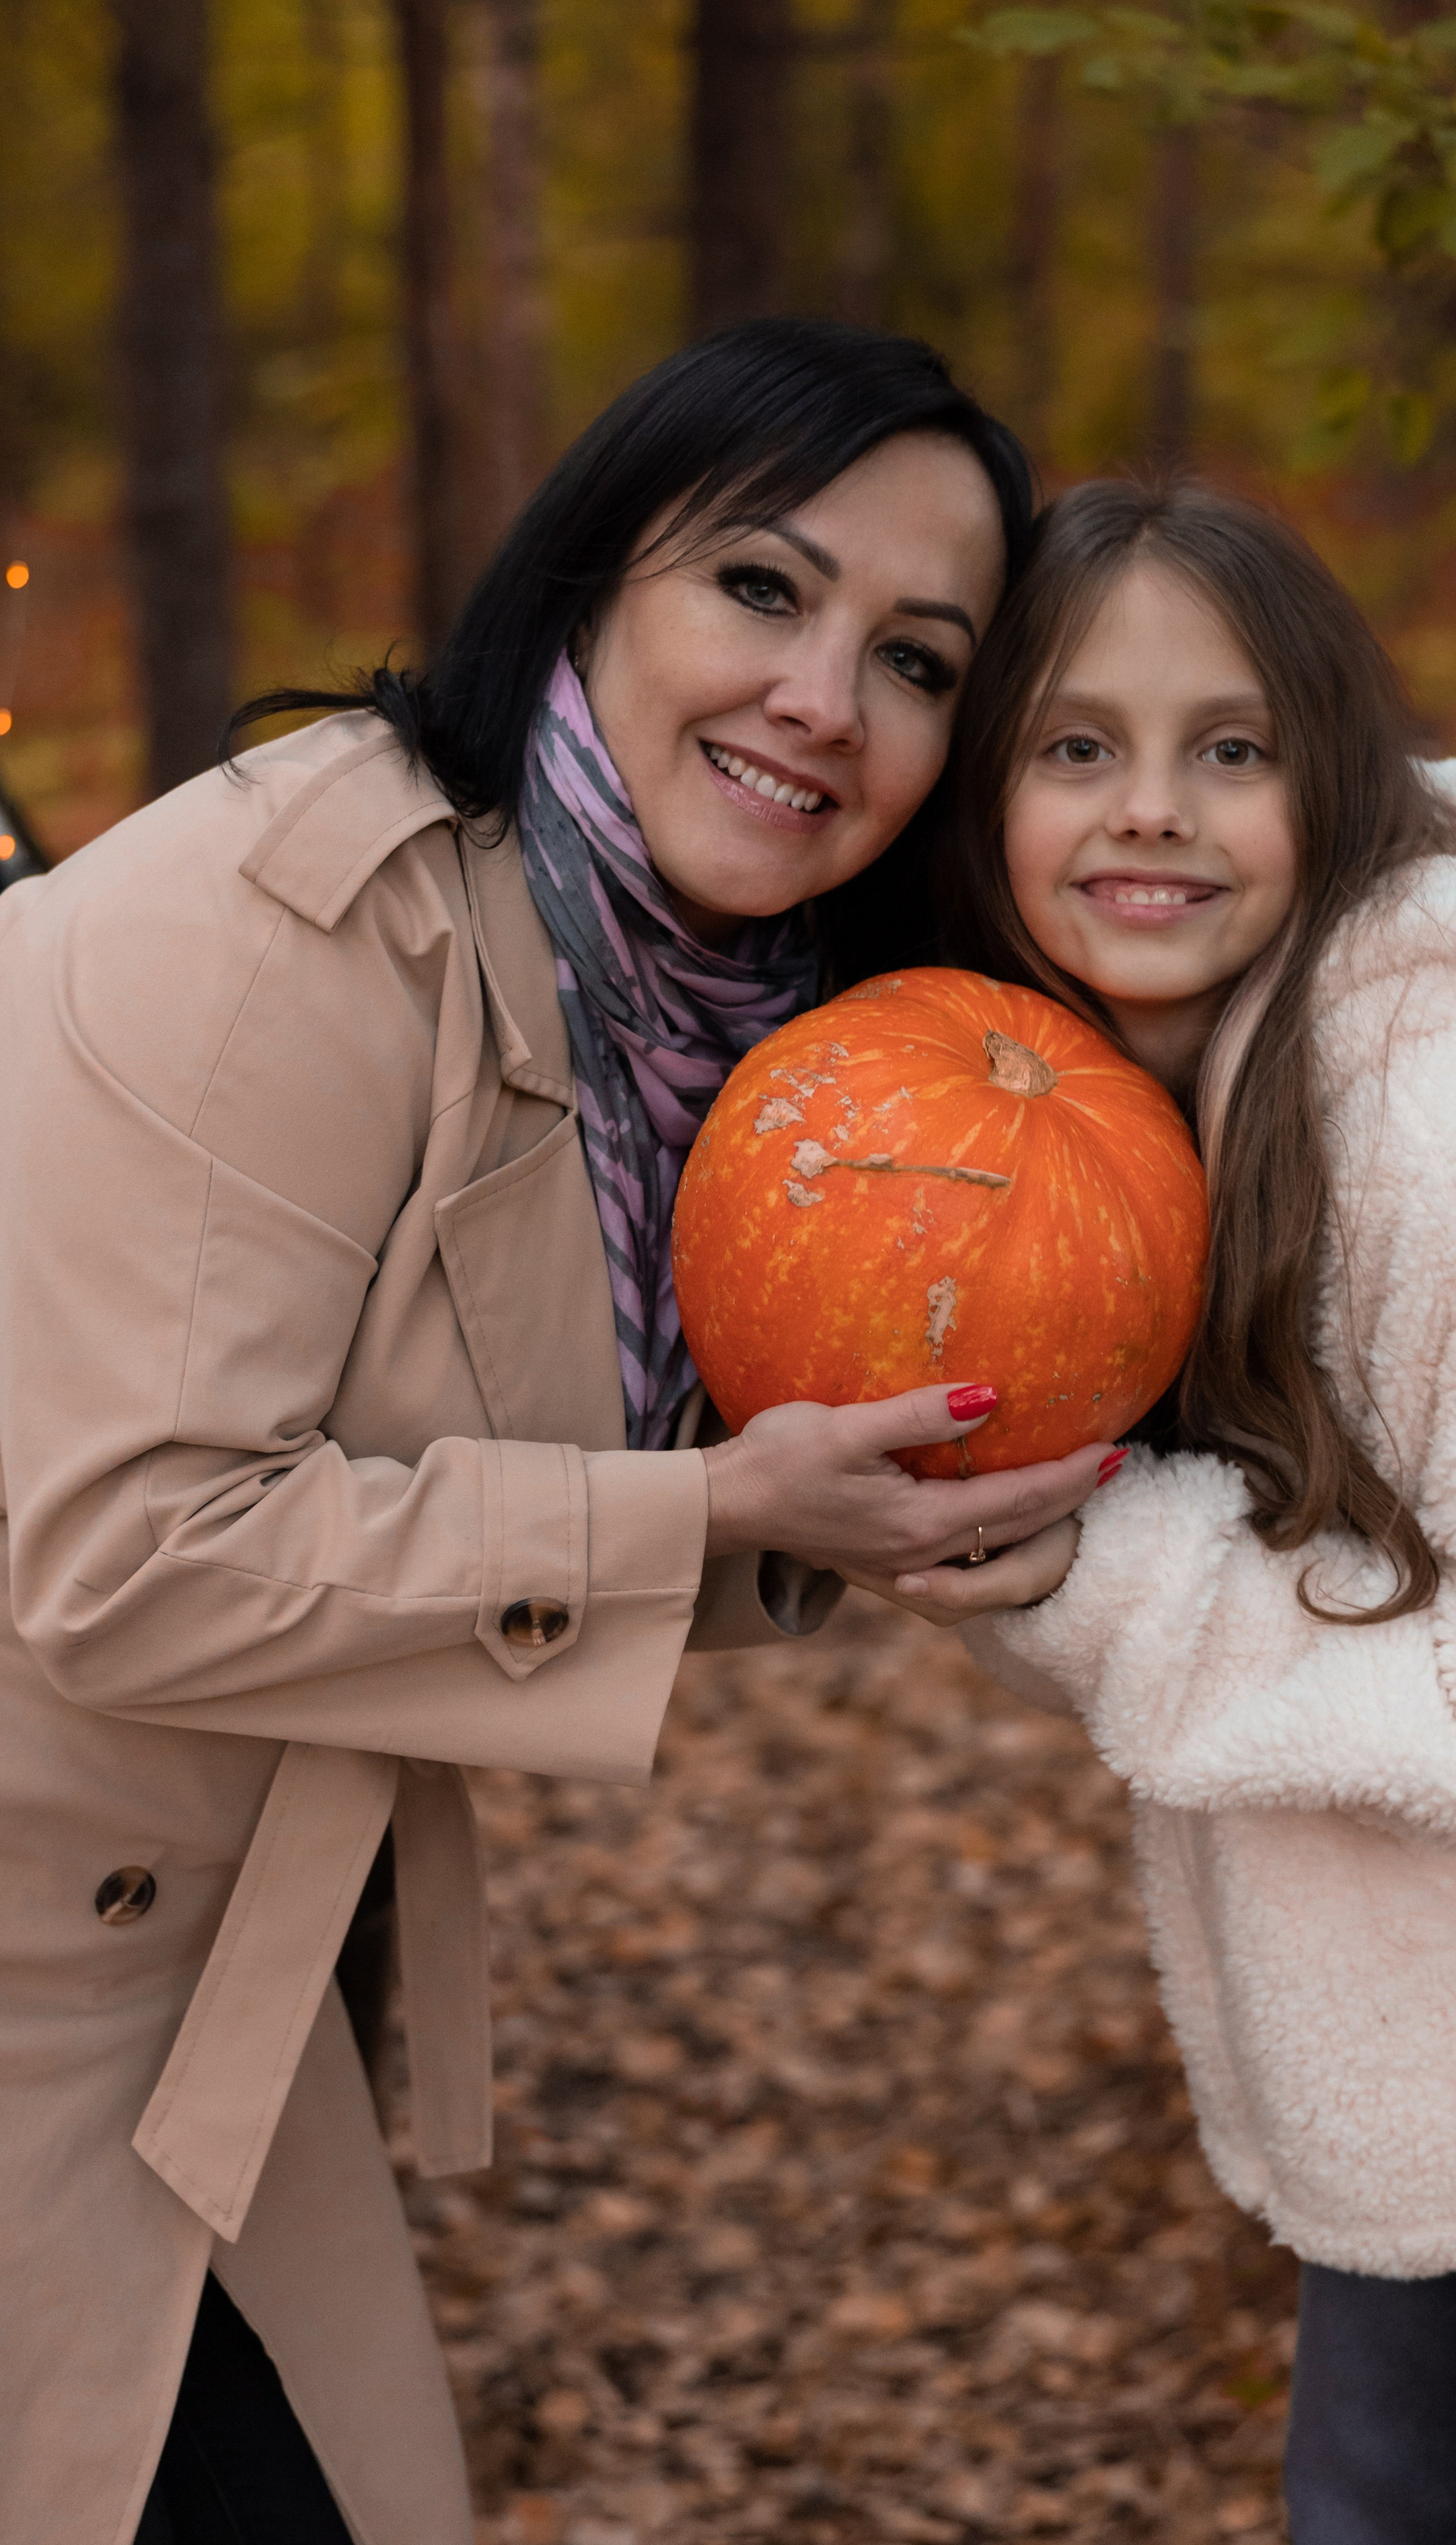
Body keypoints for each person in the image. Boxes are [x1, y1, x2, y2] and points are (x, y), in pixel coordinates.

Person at [0, 320, 1116, 2545]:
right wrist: (704, 1506)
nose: (824, 696)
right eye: (765, 591)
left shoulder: (696, 1021)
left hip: (200, 1983)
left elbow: (518, 1460)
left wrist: (850, 1512)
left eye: (916, 659)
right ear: (602, 569)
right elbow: (121, 1556)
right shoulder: (296, 921)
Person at [911, 476, 1456, 2540]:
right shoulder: (1145, 1133)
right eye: (1077, 746)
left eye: (1233, 748)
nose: (1152, 808)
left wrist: (1104, 1580)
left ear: (1333, 783)